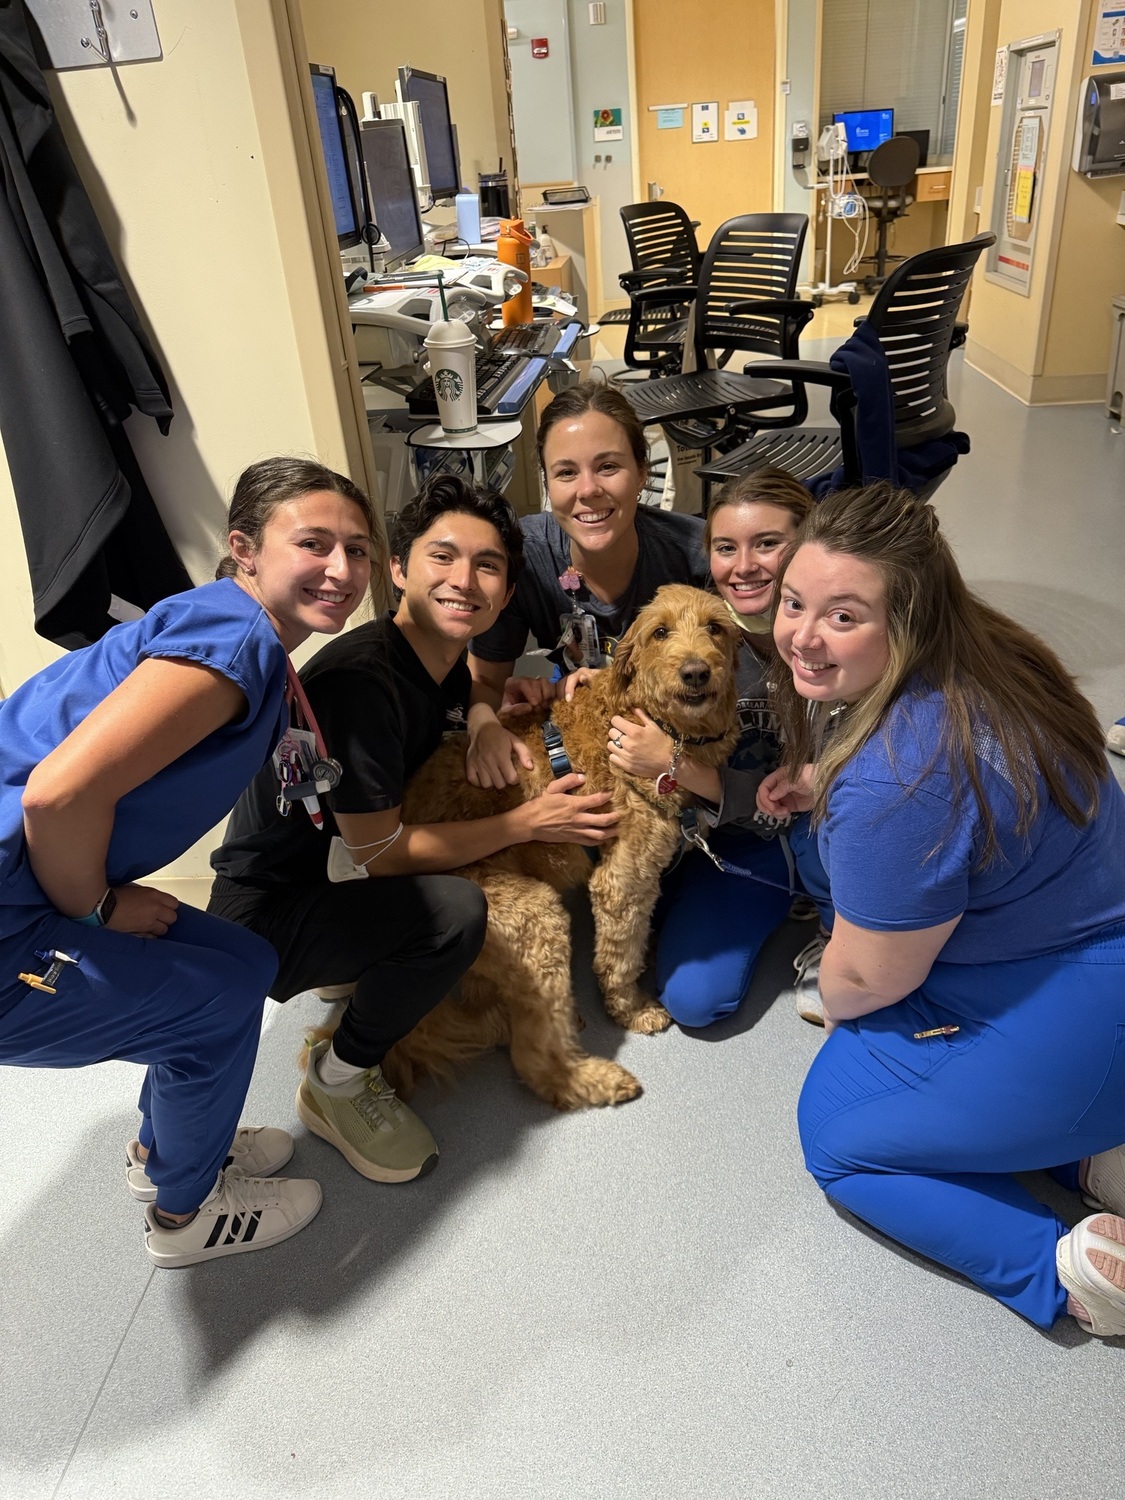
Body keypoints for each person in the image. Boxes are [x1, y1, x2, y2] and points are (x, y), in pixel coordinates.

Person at [757, 482, 1125, 1334]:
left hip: (1073, 1023)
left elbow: (862, 978)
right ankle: (1085, 1155)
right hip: (1089, 950)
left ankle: (1070, 1275)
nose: (801, 637)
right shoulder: (993, 653)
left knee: (837, 1130)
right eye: (793, 602)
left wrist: (828, 991)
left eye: (842, 616)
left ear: (906, 623)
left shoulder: (894, 778)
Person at [0, 456, 377, 1267]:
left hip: (23, 880)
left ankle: (162, 1154)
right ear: (244, 548)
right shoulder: (236, 640)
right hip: (8, 928)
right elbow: (56, 799)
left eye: (358, 549)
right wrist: (98, 907)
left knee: (243, 963)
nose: (342, 570)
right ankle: (186, 1214)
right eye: (313, 542)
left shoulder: (234, 628)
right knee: (207, 1008)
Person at [208, 476, 618, 1183]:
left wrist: (486, 715)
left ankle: (362, 965)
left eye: (487, 566)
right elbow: (379, 852)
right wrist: (524, 819)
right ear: (398, 569)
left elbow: (466, 689)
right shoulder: (363, 684)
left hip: (329, 868)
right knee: (457, 911)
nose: (464, 581)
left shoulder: (429, 654)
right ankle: (337, 1077)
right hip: (269, 909)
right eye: (442, 557)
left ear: (506, 588)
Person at [603, 468, 813, 1028]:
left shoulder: (826, 650)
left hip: (782, 839)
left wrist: (675, 767)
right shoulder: (708, 632)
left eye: (768, 543)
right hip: (705, 832)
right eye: (726, 547)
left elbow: (810, 796)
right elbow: (629, 674)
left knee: (697, 999)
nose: (744, 566)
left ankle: (831, 915)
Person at [465, 381, 709, 789]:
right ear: (546, 483)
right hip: (585, 729)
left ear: (642, 472)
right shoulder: (526, 559)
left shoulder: (695, 557)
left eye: (609, 466)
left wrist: (619, 684)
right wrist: (483, 723)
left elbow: (742, 683)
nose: (588, 490)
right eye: (565, 473)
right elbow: (485, 681)